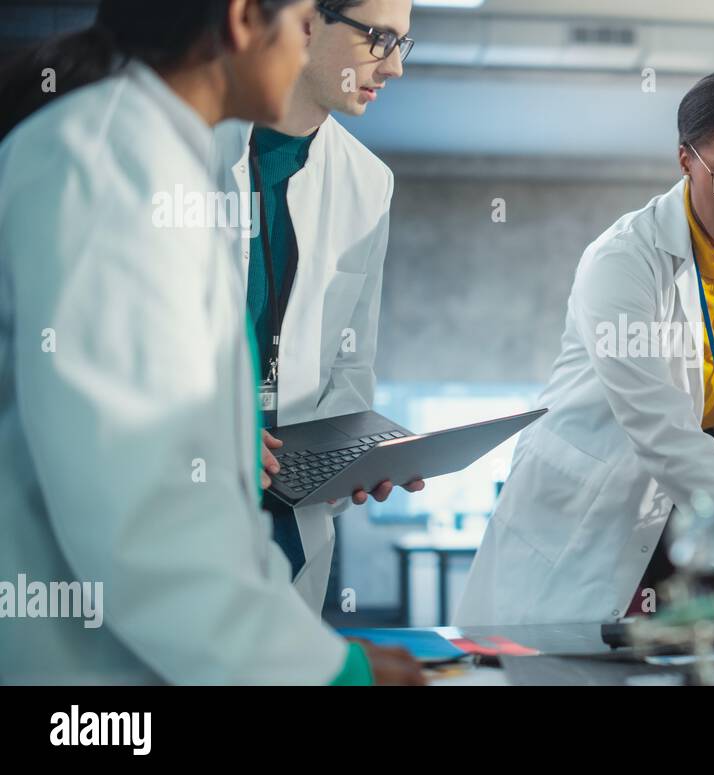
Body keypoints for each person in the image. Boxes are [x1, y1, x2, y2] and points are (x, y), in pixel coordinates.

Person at [0, 0, 422, 685]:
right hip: (91, 666)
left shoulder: (150, 154)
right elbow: (145, 515)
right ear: (243, 19)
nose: (304, 41)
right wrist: (329, 671)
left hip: (197, 609)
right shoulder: (115, 164)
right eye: (300, 20)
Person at [455, 69, 714, 629]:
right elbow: (661, 427)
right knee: (577, 661)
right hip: (591, 514)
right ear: (686, 160)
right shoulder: (624, 260)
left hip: (691, 514)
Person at [215, 0, 423, 615]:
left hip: (288, 516)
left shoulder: (368, 181)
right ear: (308, 19)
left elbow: (350, 363)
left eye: (402, 44)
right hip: (180, 490)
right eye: (379, 37)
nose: (394, 67)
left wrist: (354, 458)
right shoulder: (192, 149)